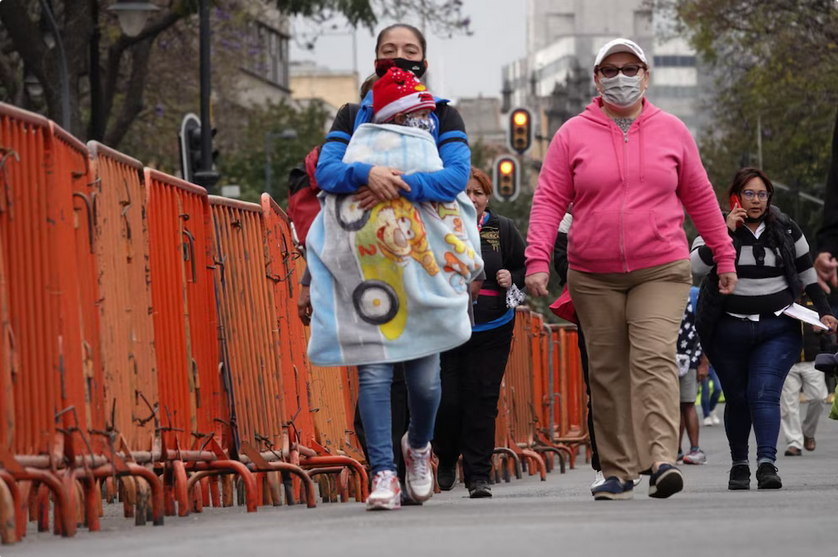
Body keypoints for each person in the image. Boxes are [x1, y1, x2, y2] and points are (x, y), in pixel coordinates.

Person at [524, 38, 737, 501]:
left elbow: (700, 198)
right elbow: (547, 203)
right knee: (607, 370)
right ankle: (618, 471)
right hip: (593, 274)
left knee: (654, 357)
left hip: (660, 268)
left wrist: (725, 256)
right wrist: (537, 260)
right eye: (611, 69)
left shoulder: (673, 130)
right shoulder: (571, 135)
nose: (621, 77)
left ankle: (662, 460)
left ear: (646, 75)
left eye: (630, 67)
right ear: (597, 79)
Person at [309, 23, 479, 512]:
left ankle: (418, 448)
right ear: (376, 58)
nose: (399, 57)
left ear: (423, 60)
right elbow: (327, 172)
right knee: (375, 378)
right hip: (366, 273)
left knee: (426, 384)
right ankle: (383, 472)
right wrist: (367, 173)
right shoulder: (350, 113)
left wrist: (397, 184)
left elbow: (454, 178)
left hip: (421, 270)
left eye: (410, 51)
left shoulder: (444, 114)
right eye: (389, 51)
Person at [691, 167, 837, 491]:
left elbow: (806, 273)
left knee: (764, 393)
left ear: (769, 197)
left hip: (777, 328)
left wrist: (824, 312)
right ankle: (739, 464)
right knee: (738, 398)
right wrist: (724, 233)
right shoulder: (715, 226)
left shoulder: (786, 228)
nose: (756, 201)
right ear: (735, 196)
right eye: (749, 194)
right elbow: (695, 266)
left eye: (762, 194)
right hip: (726, 330)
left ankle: (767, 463)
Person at [434, 167, 526, 499]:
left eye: (478, 193)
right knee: (447, 400)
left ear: (488, 196)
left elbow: (524, 267)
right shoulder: (440, 225)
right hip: (448, 326)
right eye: (466, 193)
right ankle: (445, 455)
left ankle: (478, 476)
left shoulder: (502, 229)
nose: (472, 199)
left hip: (493, 328)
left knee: (482, 401)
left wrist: (510, 277)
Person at [780, 295, 829, 456]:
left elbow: (830, 321)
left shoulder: (815, 298)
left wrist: (823, 326)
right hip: (787, 359)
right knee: (788, 404)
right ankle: (794, 442)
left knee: (819, 397)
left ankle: (808, 432)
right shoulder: (780, 298)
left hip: (811, 358)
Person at [676, 286, 708, 465]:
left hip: (690, 357)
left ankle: (695, 448)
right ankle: (676, 450)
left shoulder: (694, 294)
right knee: (672, 406)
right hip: (664, 356)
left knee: (687, 403)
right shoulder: (660, 291)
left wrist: (704, 362)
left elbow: (705, 328)